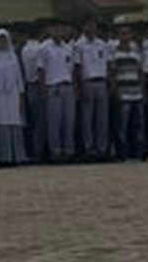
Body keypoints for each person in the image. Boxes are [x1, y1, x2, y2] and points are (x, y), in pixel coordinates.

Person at [72, 17, 111, 162]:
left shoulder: (102, 44)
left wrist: (109, 83)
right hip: (87, 82)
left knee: (102, 118)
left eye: (93, 25)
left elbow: (107, 64)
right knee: (87, 118)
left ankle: (102, 149)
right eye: (88, 25)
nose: (91, 27)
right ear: (83, 27)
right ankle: (89, 149)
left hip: (101, 81)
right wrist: (79, 87)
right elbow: (77, 67)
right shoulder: (78, 45)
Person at [0, 29, 26, 166]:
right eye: (0, 40)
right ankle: (2, 158)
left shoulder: (13, 56)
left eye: (4, 40)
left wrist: (20, 94)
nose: (2, 43)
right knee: (0, 124)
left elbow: (18, 77)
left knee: (14, 123)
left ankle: (17, 157)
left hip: (12, 95)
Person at [37, 20, 75, 162]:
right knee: (54, 122)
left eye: (61, 29)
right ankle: (55, 152)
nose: (59, 32)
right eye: (56, 29)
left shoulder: (68, 48)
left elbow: (71, 69)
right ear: (50, 30)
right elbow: (41, 70)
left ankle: (69, 151)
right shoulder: (44, 48)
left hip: (67, 86)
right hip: (53, 87)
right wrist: (43, 90)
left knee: (69, 121)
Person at [108, 26, 144, 160]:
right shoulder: (114, 53)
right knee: (122, 126)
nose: (125, 36)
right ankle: (123, 154)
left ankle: (138, 154)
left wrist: (142, 90)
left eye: (128, 34)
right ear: (118, 36)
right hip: (123, 93)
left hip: (136, 93)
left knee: (138, 126)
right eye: (122, 34)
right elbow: (112, 74)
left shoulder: (136, 52)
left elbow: (140, 73)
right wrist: (115, 90)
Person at [20, 24, 46, 162]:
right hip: (38, 85)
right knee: (40, 121)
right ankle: (39, 151)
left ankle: (35, 150)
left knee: (33, 120)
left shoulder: (24, 49)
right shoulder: (39, 49)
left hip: (29, 85)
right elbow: (40, 69)